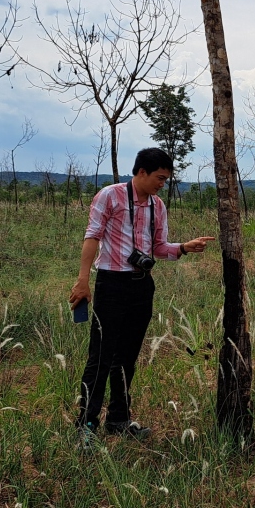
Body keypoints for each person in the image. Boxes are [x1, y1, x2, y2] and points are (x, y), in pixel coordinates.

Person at [69, 146, 214, 446]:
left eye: (166, 179)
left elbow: (159, 247)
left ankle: (119, 420)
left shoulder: (157, 206)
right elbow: (92, 236)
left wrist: (184, 247)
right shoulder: (110, 196)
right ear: (141, 172)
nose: (162, 184)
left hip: (141, 285)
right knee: (100, 356)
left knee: (127, 357)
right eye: (159, 177)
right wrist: (83, 281)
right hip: (110, 284)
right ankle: (86, 424)